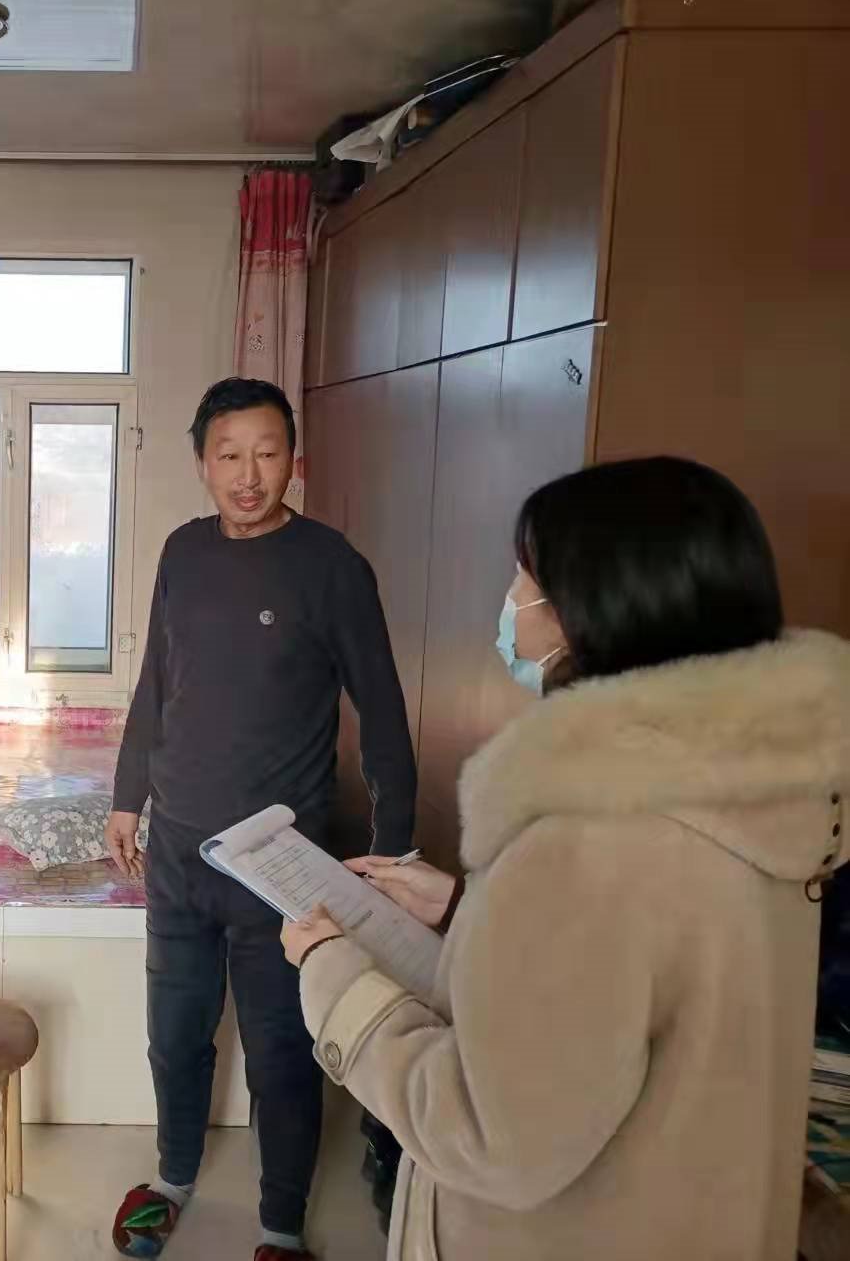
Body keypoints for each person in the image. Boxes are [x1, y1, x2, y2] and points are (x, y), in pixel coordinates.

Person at [281, 457, 850, 1260]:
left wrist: (335, 977)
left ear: (588, 609)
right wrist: (470, 910)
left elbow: (490, 1133)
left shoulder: (586, 838)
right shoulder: (773, 798)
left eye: (525, 575)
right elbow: (649, 978)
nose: (511, 599)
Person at [106, 377, 418, 1261]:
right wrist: (127, 795)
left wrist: (393, 855)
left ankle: (281, 1224)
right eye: (229, 455)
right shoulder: (183, 551)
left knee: (282, 1051)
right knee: (175, 1034)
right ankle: (172, 1178)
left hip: (281, 865)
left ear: (294, 461)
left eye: (268, 453)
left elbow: (384, 716)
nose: (248, 475)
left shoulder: (331, 565)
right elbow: (156, 684)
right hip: (178, 851)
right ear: (202, 462)